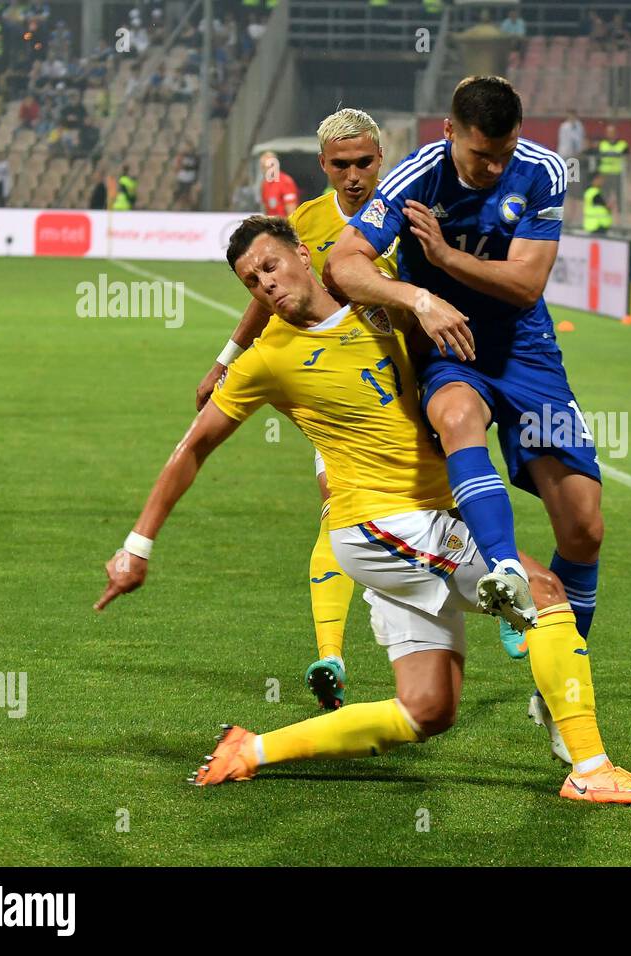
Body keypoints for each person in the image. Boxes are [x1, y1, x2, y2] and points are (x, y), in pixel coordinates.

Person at [94, 215, 631, 808]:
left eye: (270, 265)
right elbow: (193, 449)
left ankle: (251, 750)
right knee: (542, 591)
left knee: (428, 711)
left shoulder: (378, 296)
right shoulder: (267, 360)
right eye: (250, 280)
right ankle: (590, 769)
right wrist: (137, 548)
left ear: (302, 255)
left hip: (416, 522)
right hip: (385, 524)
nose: (264, 284)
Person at [324, 77, 604, 763]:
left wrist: (446, 258)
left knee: (584, 527)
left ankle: (557, 679)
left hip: (529, 353)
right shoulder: (418, 174)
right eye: (483, 157)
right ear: (451, 133)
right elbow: (342, 263)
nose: (495, 169)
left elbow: (527, 284)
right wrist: (421, 298)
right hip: (454, 349)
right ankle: (504, 568)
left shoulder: (543, 170)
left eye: (504, 153)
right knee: (453, 414)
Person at [193, 109, 393, 711]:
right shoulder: (304, 222)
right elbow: (266, 295)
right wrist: (227, 359)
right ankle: (329, 652)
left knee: (445, 496)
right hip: (330, 384)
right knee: (338, 503)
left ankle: (509, 590)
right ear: (323, 166)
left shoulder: (409, 209)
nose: (353, 176)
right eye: (339, 165)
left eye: (363, 163)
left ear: (380, 158)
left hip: (406, 379)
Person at [259, 150, 299, 217]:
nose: (264, 170)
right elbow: (266, 209)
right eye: (263, 167)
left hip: (282, 225)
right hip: (271, 225)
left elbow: (291, 211)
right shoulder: (265, 184)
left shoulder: (286, 182)